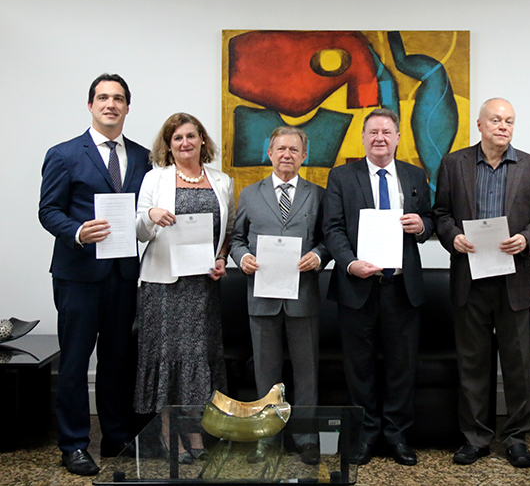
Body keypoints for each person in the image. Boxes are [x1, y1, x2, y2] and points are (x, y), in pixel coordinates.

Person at [39, 74, 151, 475]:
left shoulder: (141, 157)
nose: (110, 104)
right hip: (78, 274)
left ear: (126, 107)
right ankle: (72, 444)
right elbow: (48, 210)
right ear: (90, 105)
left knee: (118, 361)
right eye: (103, 97)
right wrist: (76, 231)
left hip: (123, 273)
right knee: (74, 361)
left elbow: (146, 209)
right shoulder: (64, 154)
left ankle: (116, 436)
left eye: (118, 98)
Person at [433, 97, 530, 469]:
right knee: (473, 363)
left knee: (517, 363)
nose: (503, 126)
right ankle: (475, 438)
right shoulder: (454, 163)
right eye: (496, 120)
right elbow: (441, 214)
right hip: (470, 278)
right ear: (480, 125)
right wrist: (452, 236)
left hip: (513, 277)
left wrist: (528, 239)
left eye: (510, 121)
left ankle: (516, 438)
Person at [322, 108, 434, 466]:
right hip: (358, 286)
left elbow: (431, 220)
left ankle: (398, 436)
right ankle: (365, 436)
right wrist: (349, 263)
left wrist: (422, 226)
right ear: (364, 138)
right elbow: (333, 228)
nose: (380, 138)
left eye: (387, 131)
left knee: (402, 366)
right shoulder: (342, 176)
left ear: (398, 138)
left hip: (402, 288)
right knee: (360, 368)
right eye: (373, 132)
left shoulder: (416, 176)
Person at [134, 113, 235, 463]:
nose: (185, 143)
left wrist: (222, 258)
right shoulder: (155, 179)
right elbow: (138, 230)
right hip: (164, 286)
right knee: (168, 359)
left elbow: (228, 232)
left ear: (202, 140)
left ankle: (193, 430)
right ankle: (167, 431)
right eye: (177, 138)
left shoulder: (222, 181)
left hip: (203, 285)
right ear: (168, 144)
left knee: (198, 359)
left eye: (191, 136)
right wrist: (151, 216)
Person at [228, 126, 330, 465]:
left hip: (303, 296)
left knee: (306, 372)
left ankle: (306, 438)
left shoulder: (318, 194)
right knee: (266, 372)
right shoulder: (250, 194)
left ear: (304, 156)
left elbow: (328, 238)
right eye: (280, 149)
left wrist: (319, 255)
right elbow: (236, 239)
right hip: (262, 296)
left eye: (294, 150)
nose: (287, 155)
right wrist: (242, 258)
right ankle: (266, 438)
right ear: (270, 154)